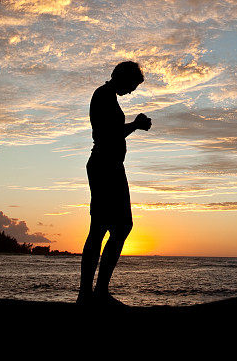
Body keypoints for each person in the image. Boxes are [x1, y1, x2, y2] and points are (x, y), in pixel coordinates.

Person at [77, 61, 151, 306]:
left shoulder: (108, 96)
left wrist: (132, 126)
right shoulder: (103, 95)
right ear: (122, 78)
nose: (132, 91)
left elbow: (113, 131)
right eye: (132, 85)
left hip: (110, 167)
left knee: (113, 228)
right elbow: (108, 134)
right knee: (104, 229)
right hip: (104, 167)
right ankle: (91, 294)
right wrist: (136, 125)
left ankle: (94, 293)